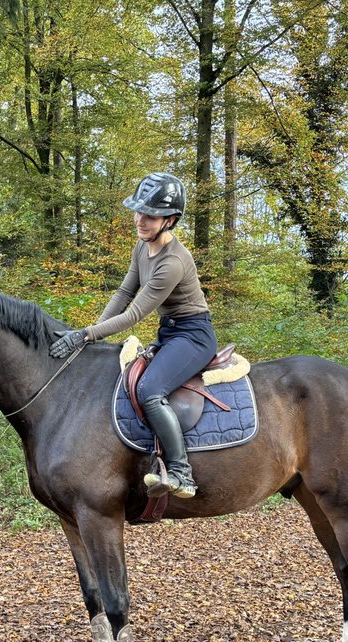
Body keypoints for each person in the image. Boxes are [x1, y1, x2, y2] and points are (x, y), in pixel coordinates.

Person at [49, 172, 216, 499]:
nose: (140, 220)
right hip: (169, 333)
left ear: (170, 220)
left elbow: (134, 314)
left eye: (149, 215)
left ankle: (182, 471)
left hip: (193, 335)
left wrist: (84, 335)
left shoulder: (174, 262)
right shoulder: (143, 247)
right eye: (138, 212)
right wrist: (93, 333)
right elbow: (124, 293)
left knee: (150, 389)